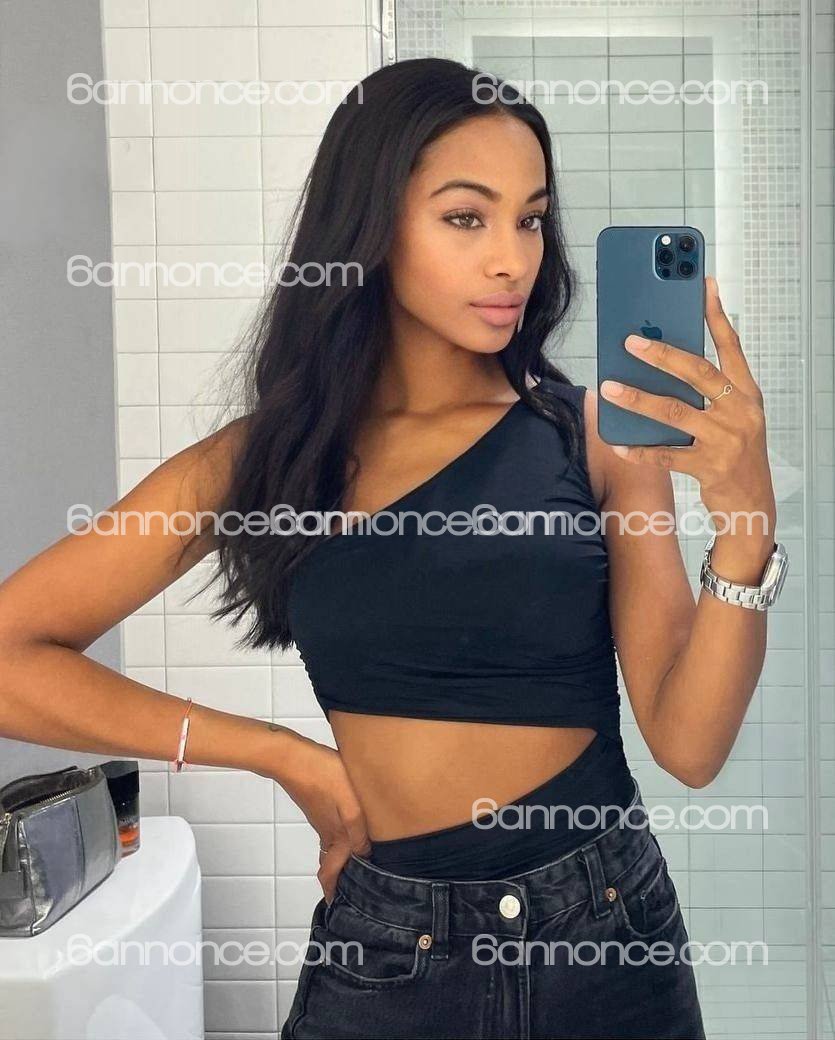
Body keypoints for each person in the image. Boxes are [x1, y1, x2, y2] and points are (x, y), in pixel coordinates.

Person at [0, 58, 781, 1039]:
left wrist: (746, 527)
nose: (511, 259)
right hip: (388, 953)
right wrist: (283, 756)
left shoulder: (592, 439)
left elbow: (689, 744)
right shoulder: (264, 462)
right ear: (371, 225)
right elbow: (12, 654)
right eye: (466, 217)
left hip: (606, 930)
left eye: (530, 219)